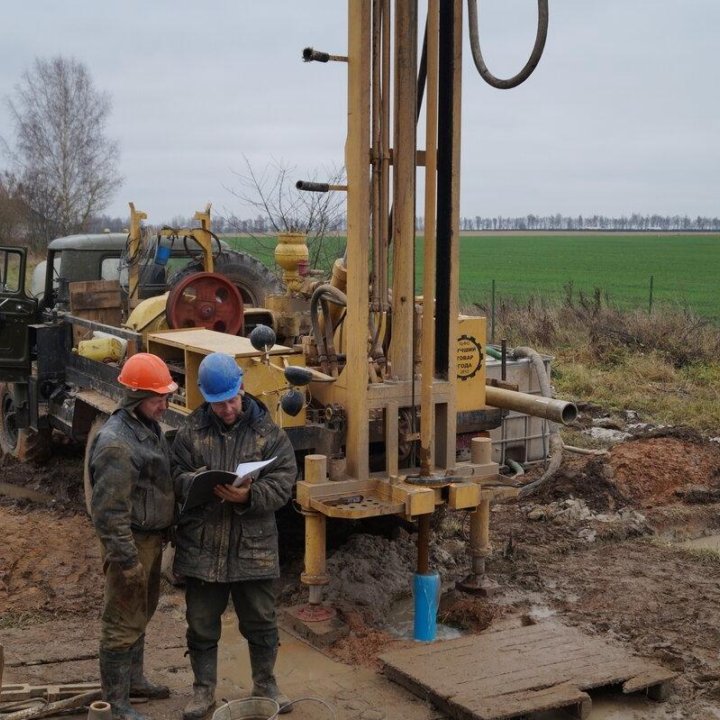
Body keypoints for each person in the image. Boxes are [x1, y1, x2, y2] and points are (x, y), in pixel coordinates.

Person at [171, 352, 297, 718]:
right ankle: (203, 691)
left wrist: (251, 495)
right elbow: (175, 475)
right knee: (201, 624)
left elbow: (284, 481)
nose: (226, 408)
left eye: (231, 399)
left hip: (252, 547)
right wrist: (194, 482)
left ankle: (266, 684)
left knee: (261, 620)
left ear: (241, 387)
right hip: (203, 546)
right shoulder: (190, 432)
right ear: (204, 398)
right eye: (217, 402)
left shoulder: (268, 433)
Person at [89, 353, 178, 720]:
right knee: (122, 621)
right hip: (132, 542)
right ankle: (116, 702)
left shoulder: (145, 425)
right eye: (158, 398)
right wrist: (125, 561)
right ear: (135, 396)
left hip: (150, 539)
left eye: (165, 397)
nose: (165, 405)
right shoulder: (117, 444)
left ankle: (135, 681)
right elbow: (109, 513)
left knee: (141, 613)